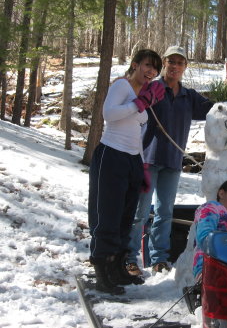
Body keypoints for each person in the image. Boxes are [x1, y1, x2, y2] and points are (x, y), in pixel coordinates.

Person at [126, 46, 216, 275]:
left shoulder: (189, 96)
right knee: (141, 212)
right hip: (148, 159)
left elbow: (214, 110)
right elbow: (134, 103)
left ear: (185, 67)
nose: (175, 66)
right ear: (164, 63)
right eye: (171, 62)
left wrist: (226, 85)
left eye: (180, 63)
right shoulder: (153, 88)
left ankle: (159, 259)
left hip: (173, 162)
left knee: (165, 212)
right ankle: (130, 258)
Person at [88, 49, 165, 294]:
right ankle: (102, 270)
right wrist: (139, 103)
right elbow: (109, 114)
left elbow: (135, 131)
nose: (151, 71)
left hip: (132, 159)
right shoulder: (122, 86)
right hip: (112, 155)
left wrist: (141, 166)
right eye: (147, 65)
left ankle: (118, 267)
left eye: (155, 69)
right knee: (108, 215)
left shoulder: (145, 95)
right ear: (135, 64)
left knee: (125, 218)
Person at [192, 179, 227, 280]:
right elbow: (204, 236)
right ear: (222, 193)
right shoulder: (212, 206)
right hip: (207, 264)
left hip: (225, 265)